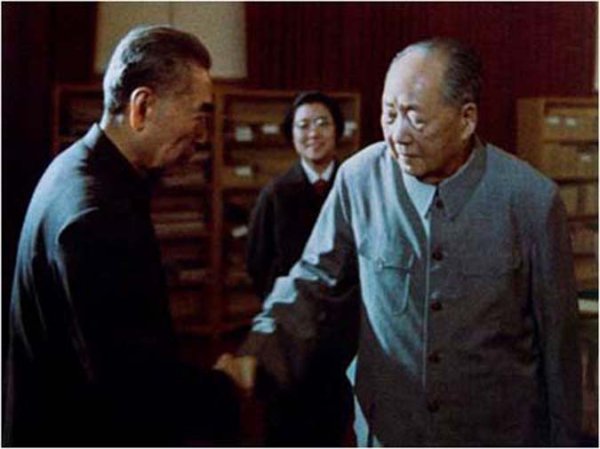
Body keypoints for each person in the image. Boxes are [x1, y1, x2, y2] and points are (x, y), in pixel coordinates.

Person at [216, 37, 582, 446]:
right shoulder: (359, 180)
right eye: (389, 114)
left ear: (466, 119)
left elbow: (559, 344)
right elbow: (313, 279)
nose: (398, 135)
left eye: (416, 119)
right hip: (390, 430)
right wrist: (259, 348)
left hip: (496, 435)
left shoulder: (531, 200)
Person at [4, 25, 239, 446]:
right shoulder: (94, 216)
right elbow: (133, 390)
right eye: (199, 115)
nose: (203, 136)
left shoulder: (76, 169)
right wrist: (224, 385)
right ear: (142, 107)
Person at [245, 91, 353, 446]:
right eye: (303, 125)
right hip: (290, 332)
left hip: (343, 334)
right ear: (291, 133)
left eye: (323, 123)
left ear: (338, 130)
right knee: (287, 424)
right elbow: (258, 262)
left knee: (334, 422)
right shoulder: (276, 193)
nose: (313, 133)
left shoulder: (353, 189)